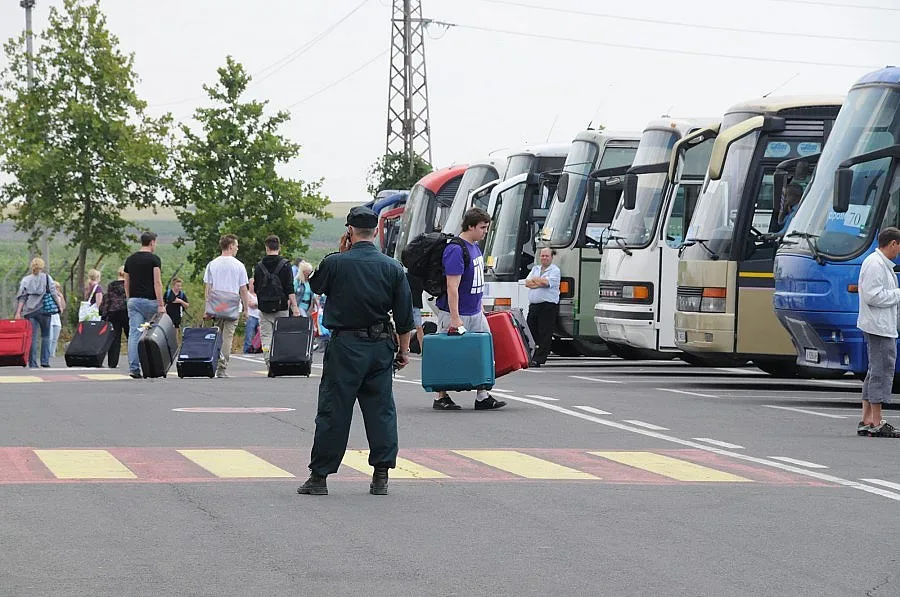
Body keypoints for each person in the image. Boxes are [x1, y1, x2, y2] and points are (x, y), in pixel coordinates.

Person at [297, 206, 413, 497]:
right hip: (380, 347)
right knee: (381, 410)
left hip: (346, 346)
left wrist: (337, 253)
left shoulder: (337, 263)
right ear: (375, 232)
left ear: (349, 231)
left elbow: (315, 286)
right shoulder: (392, 267)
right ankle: (381, 475)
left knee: (334, 410)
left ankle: (319, 477)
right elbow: (404, 316)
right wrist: (404, 350)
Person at [432, 207, 506, 411]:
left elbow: (476, 282)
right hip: (455, 314)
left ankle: (482, 395)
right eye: (482, 227)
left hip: (475, 312)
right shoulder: (456, 249)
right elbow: (452, 286)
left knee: (483, 352)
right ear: (471, 226)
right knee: (447, 353)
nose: (485, 232)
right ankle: (441, 396)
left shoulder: (475, 247)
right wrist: (455, 318)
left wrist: (480, 307)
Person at [857, 227, 900, 437]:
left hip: (877, 325)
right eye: (898, 247)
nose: (898, 252)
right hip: (879, 326)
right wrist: (899, 293)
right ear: (893, 243)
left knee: (874, 371)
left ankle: (866, 419)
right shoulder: (876, 264)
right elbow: (873, 296)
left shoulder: (878, 263)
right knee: (882, 371)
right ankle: (876, 421)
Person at [203, 234, 250, 378]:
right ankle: (222, 368)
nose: (237, 248)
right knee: (227, 336)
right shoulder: (239, 265)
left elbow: (208, 289)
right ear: (230, 246)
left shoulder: (212, 264)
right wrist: (246, 309)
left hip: (217, 306)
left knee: (217, 334)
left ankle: (214, 362)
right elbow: (243, 290)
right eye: (236, 245)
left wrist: (207, 308)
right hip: (233, 306)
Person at [253, 235, 300, 365]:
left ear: (266, 247)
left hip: (264, 308)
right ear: (279, 247)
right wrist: (294, 307)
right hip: (282, 307)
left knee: (266, 337)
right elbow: (289, 288)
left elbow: (256, 287)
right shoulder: (285, 265)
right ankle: (280, 361)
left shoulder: (259, 266)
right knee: (281, 336)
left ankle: (269, 362)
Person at [124, 231, 165, 379]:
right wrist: (161, 304)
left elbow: (126, 282)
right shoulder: (154, 260)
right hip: (151, 301)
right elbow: (157, 283)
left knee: (134, 334)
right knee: (153, 334)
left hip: (134, 301)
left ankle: (134, 368)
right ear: (152, 242)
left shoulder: (130, 260)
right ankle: (154, 366)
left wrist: (129, 299)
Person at [14, 258, 65, 368]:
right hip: (45, 310)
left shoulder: (26, 280)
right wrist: (59, 306)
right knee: (46, 336)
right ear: (42, 266)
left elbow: (22, 297)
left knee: (32, 337)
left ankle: (32, 362)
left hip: (30, 311)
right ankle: (45, 361)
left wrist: (18, 312)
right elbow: (53, 292)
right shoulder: (47, 278)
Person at [525, 247, 561, 367]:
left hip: (548, 306)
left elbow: (547, 283)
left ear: (551, 257)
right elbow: (527, 283)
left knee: (544, 332)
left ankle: (539, 359)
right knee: (530, 331)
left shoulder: (555, 270)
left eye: (547, 256)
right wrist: (538, 282)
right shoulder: (535, 268)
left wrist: (536, 281)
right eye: (542, 256)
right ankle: (530, 355)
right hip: (534, 305)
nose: (544, 258)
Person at [103, 267, 129, 369]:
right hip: (126, 311)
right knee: (131, 337)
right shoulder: (129, 285)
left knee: (114, 338)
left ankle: (112, 363)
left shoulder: (111, 285)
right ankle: (135, 360)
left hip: (113, 313)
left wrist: (105, 314)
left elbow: (107, 299)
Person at [406, 272, 425, 353]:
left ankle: (403, 348)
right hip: (416, 303)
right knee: (419, 328)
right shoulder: (421, 278)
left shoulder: (405, 276)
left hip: (405, 303)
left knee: (403, 327)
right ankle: (423, 349)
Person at [242, 279, 260, 353]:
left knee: (259, 336)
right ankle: (246, 351)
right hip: (251, 316)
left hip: (259, 317)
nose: (254, 285)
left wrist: (255, 304)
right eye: (252, 284)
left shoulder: (259, 294)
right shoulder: (247, 294)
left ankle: (257, 350)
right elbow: (250, 304)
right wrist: (258, 304)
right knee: (249, 335)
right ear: (249, 285)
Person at [49, 282, 64, 358]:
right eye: (55, 287)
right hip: (50, 318)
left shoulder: (59, 296)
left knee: (55, 338)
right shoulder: (49, 296)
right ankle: (47, 354)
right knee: (50, 338)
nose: (57, 289)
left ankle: (52, 354)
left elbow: (63, 307)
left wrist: (61, 297)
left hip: (56, 319)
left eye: (58, 287)